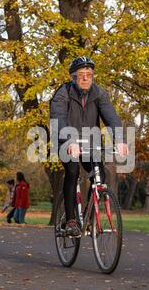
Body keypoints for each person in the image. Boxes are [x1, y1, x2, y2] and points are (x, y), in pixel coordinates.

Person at [49, 56, 129, 237]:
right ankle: (70, 220)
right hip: (65, 140)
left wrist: (120, 139)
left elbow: (111, 117)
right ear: (73, 77)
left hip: (90, 142)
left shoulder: (99, 93)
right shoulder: (63, 93)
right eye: (81, 75)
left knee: (101, 174)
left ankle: (89, 218)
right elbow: (58, 118)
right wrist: (70, 141)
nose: (86, 78)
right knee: (72, 171)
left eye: (89, 74)